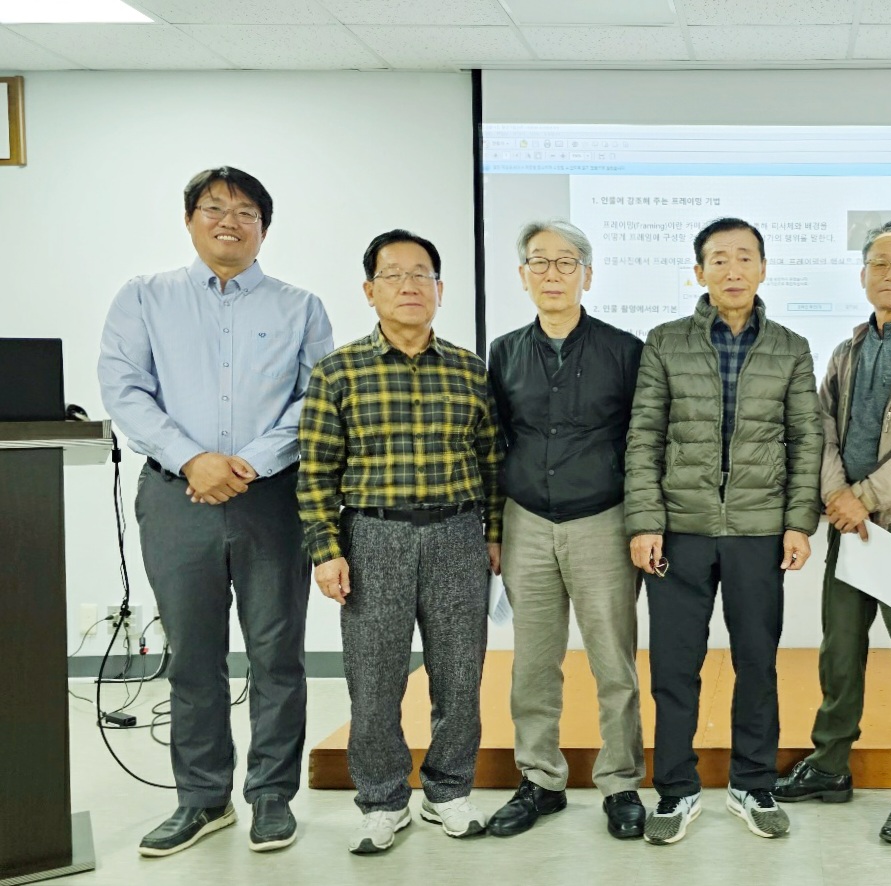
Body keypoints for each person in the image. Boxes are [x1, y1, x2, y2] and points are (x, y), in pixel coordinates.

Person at [99, 166, 332, 857]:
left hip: (273, 500)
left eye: (246, 212)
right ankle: (202, 799)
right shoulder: (145, 297)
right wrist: (192, 459)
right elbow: (125, 387)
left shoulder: (300, 307)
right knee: (193, 658)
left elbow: (316, 398)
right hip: (178, 497)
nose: (230, 221)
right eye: (214, 207)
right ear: (189, 219)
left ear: (264, 227)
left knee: (277, 656)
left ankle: (271, 797)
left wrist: (247, 463)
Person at [297, 229, 504, 855]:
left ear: (440, 289)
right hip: (373, 536)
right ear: (370, 290)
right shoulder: (337, 371)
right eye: (393, 274)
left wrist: (494, 535)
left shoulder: (470, 369)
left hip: (458, 534)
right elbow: (316, 470)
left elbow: (492, 462)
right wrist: (325, 550)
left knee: (460, 675)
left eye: (422, 274)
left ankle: (448, 790)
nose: (409, 285)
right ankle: (383, 799)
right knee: (374, 680)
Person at [624, 217, 824, 845]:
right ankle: (676, 790)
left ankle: (752, 783)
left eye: (744, 257)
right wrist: (645, 521)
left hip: (758, 531)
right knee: (674, 667)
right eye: (719, 259)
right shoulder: (665, 342)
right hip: (679, 531)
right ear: (699, 271)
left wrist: (798, 522)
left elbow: (806, 441)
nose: (732, 270)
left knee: (756, 663)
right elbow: (643, 436)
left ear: (763, 268)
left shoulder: (791, 347)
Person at [773, 222, 891, 844]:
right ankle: (830, 764)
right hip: (849, 525)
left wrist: (866, 497)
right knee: (840, 650)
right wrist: (838, 496)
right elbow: (823, 430)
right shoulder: (847, 350)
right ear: (862, 275)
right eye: (879, 263)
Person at [486, 220, 648, 840]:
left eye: (565, 262)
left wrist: (643, 523)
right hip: (526, 519)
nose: (552, 274)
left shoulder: (624, 350)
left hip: (602, 519)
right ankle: (540, 779)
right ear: (522, 275)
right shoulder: (504, 351)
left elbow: (642, 443)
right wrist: (494, 530)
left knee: (614, 662)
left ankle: (621, 781)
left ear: (588, 274)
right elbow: (496, 441)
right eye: (539, 262)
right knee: (533, 662)